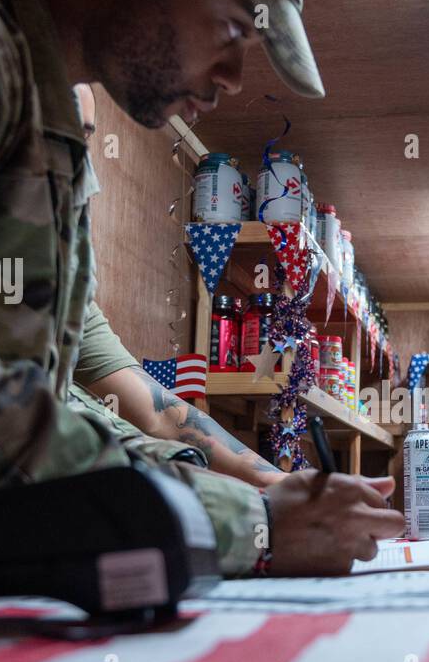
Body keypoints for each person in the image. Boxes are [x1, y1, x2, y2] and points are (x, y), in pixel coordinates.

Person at [0, 0, 403, 579]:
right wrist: (251, 525)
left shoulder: (34, 93)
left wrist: (264, 490)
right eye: (237, 27)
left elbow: (61, 403)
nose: (235, 79)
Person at [69, 83, 285, 488]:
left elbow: (160, 413)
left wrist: (281, 482)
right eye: (59, 138)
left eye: (83, 139)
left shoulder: (65, 291)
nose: (82, 171)